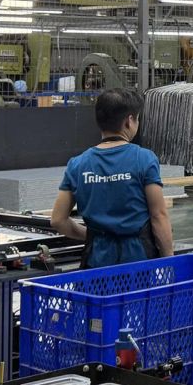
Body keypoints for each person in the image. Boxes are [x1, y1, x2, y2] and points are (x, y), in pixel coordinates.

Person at [52, 88, 174, 268]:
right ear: (129, 121)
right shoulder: (144, 159)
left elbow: (58, 220)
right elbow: (159, 216)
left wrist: (92, 236)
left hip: (96, 261)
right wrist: (169, 261)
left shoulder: (77, 165)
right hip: (138, 261)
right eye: (137, 119)